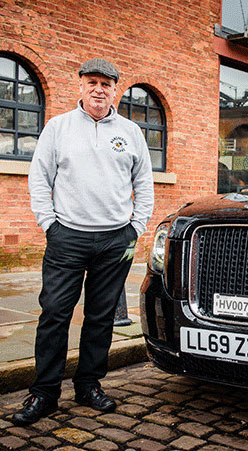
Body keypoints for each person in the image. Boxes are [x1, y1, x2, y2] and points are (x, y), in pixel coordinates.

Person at [12, 58, 154, 426]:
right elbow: (39, 179)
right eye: (92, 82)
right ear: (80, 85)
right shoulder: (58, 128)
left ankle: (88, 384)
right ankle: (44, 393)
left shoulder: (131, 132)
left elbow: (144, 185)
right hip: (67, 238)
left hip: (114, 241)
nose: (98, 89)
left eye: (106, 84)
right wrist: (50, 225)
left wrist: (134, 229)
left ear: (114, 91)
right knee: (55, 314)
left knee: (101, 317)